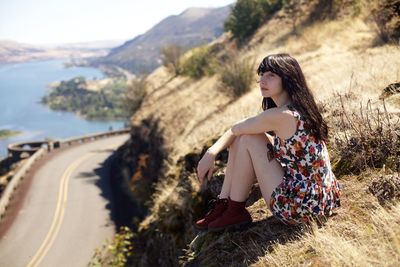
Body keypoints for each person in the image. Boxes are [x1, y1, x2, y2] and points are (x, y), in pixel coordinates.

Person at [195, 53, 342, 232]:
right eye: (261, 75)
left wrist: (210, 154)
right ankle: (225, 206)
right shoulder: (300, 108)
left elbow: (235, 129)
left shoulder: (281, 115)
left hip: (300, 206)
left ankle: (233, 210)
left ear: (288, 79)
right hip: (321, 198)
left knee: (246, 137)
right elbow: (289, 149)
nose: (262, 81)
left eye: (271, 75)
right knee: (245, 138)